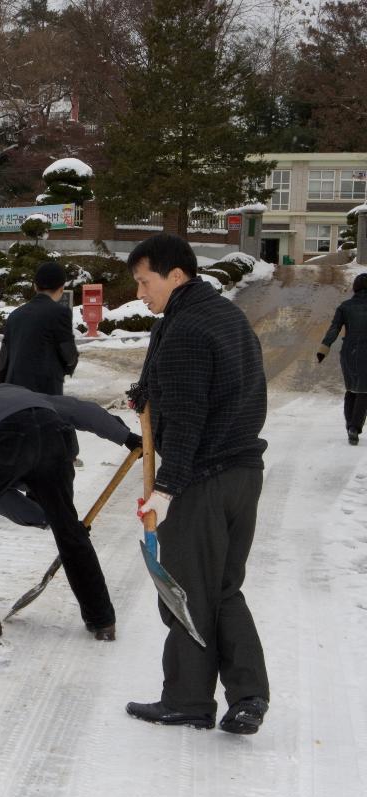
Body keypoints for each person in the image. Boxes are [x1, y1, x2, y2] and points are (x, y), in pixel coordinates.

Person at [125, 233, 269, 735]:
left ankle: (187, 700)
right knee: (224, 589)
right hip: (243, 473)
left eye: (145, 282)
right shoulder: (221, 316)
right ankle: (248, 698)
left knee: (185, 591)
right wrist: (146, 393)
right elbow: (208, 385)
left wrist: (164, 490)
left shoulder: (186, 329)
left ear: (176, 275)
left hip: (203, 479)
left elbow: (187, 417)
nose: (140, 293)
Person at [0, 383, 142, 640]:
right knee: (69, 531)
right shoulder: (5, 395)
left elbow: (0, 499)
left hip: (7, 439)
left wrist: (42, 518)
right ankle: (102, 621)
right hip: (54, 435)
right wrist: (125, 437)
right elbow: (78, 409)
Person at [0, 261, 79, 395]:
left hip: (13, 393)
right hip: (44, 393)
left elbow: (3, 362)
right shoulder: (60, 313)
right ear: (61, 288)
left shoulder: (15, 315)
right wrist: (69, 367)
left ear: (34, 286)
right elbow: (69, 355)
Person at [317, 272, 367, 445]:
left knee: (351, 389)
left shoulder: (345, 307)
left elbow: (334, 328)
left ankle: (350, 426)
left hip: (349, 352)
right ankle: (354, 427)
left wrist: (323, 349)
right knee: (364, 391)